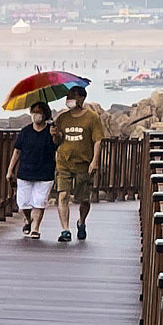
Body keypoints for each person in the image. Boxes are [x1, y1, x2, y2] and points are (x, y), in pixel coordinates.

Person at [52, 84, 106, 242]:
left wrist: (95, 161)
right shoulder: (62, 118)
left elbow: (97, 140)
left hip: (84, 163)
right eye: (68, 96)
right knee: (62, 195)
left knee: (84, 199)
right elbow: (57, 141)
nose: (69, 99)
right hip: (64, 163)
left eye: (73, 96)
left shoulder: (92, 117)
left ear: (82, 98)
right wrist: (54, 135)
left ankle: (81, 222)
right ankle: (65, 230)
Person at [6, 101, 57, 239]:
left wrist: (54, 136)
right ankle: (28, 220)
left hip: (45, 172)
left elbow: (57, 146)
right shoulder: (25, 131)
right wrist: (10, 170)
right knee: (23, 203)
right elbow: (17, 151)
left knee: (39, 202)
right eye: (33, 112)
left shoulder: (51, 131)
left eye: (39, 113)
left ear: (45, 114)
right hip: (25, 171)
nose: (35, 115)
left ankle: (35, 228)